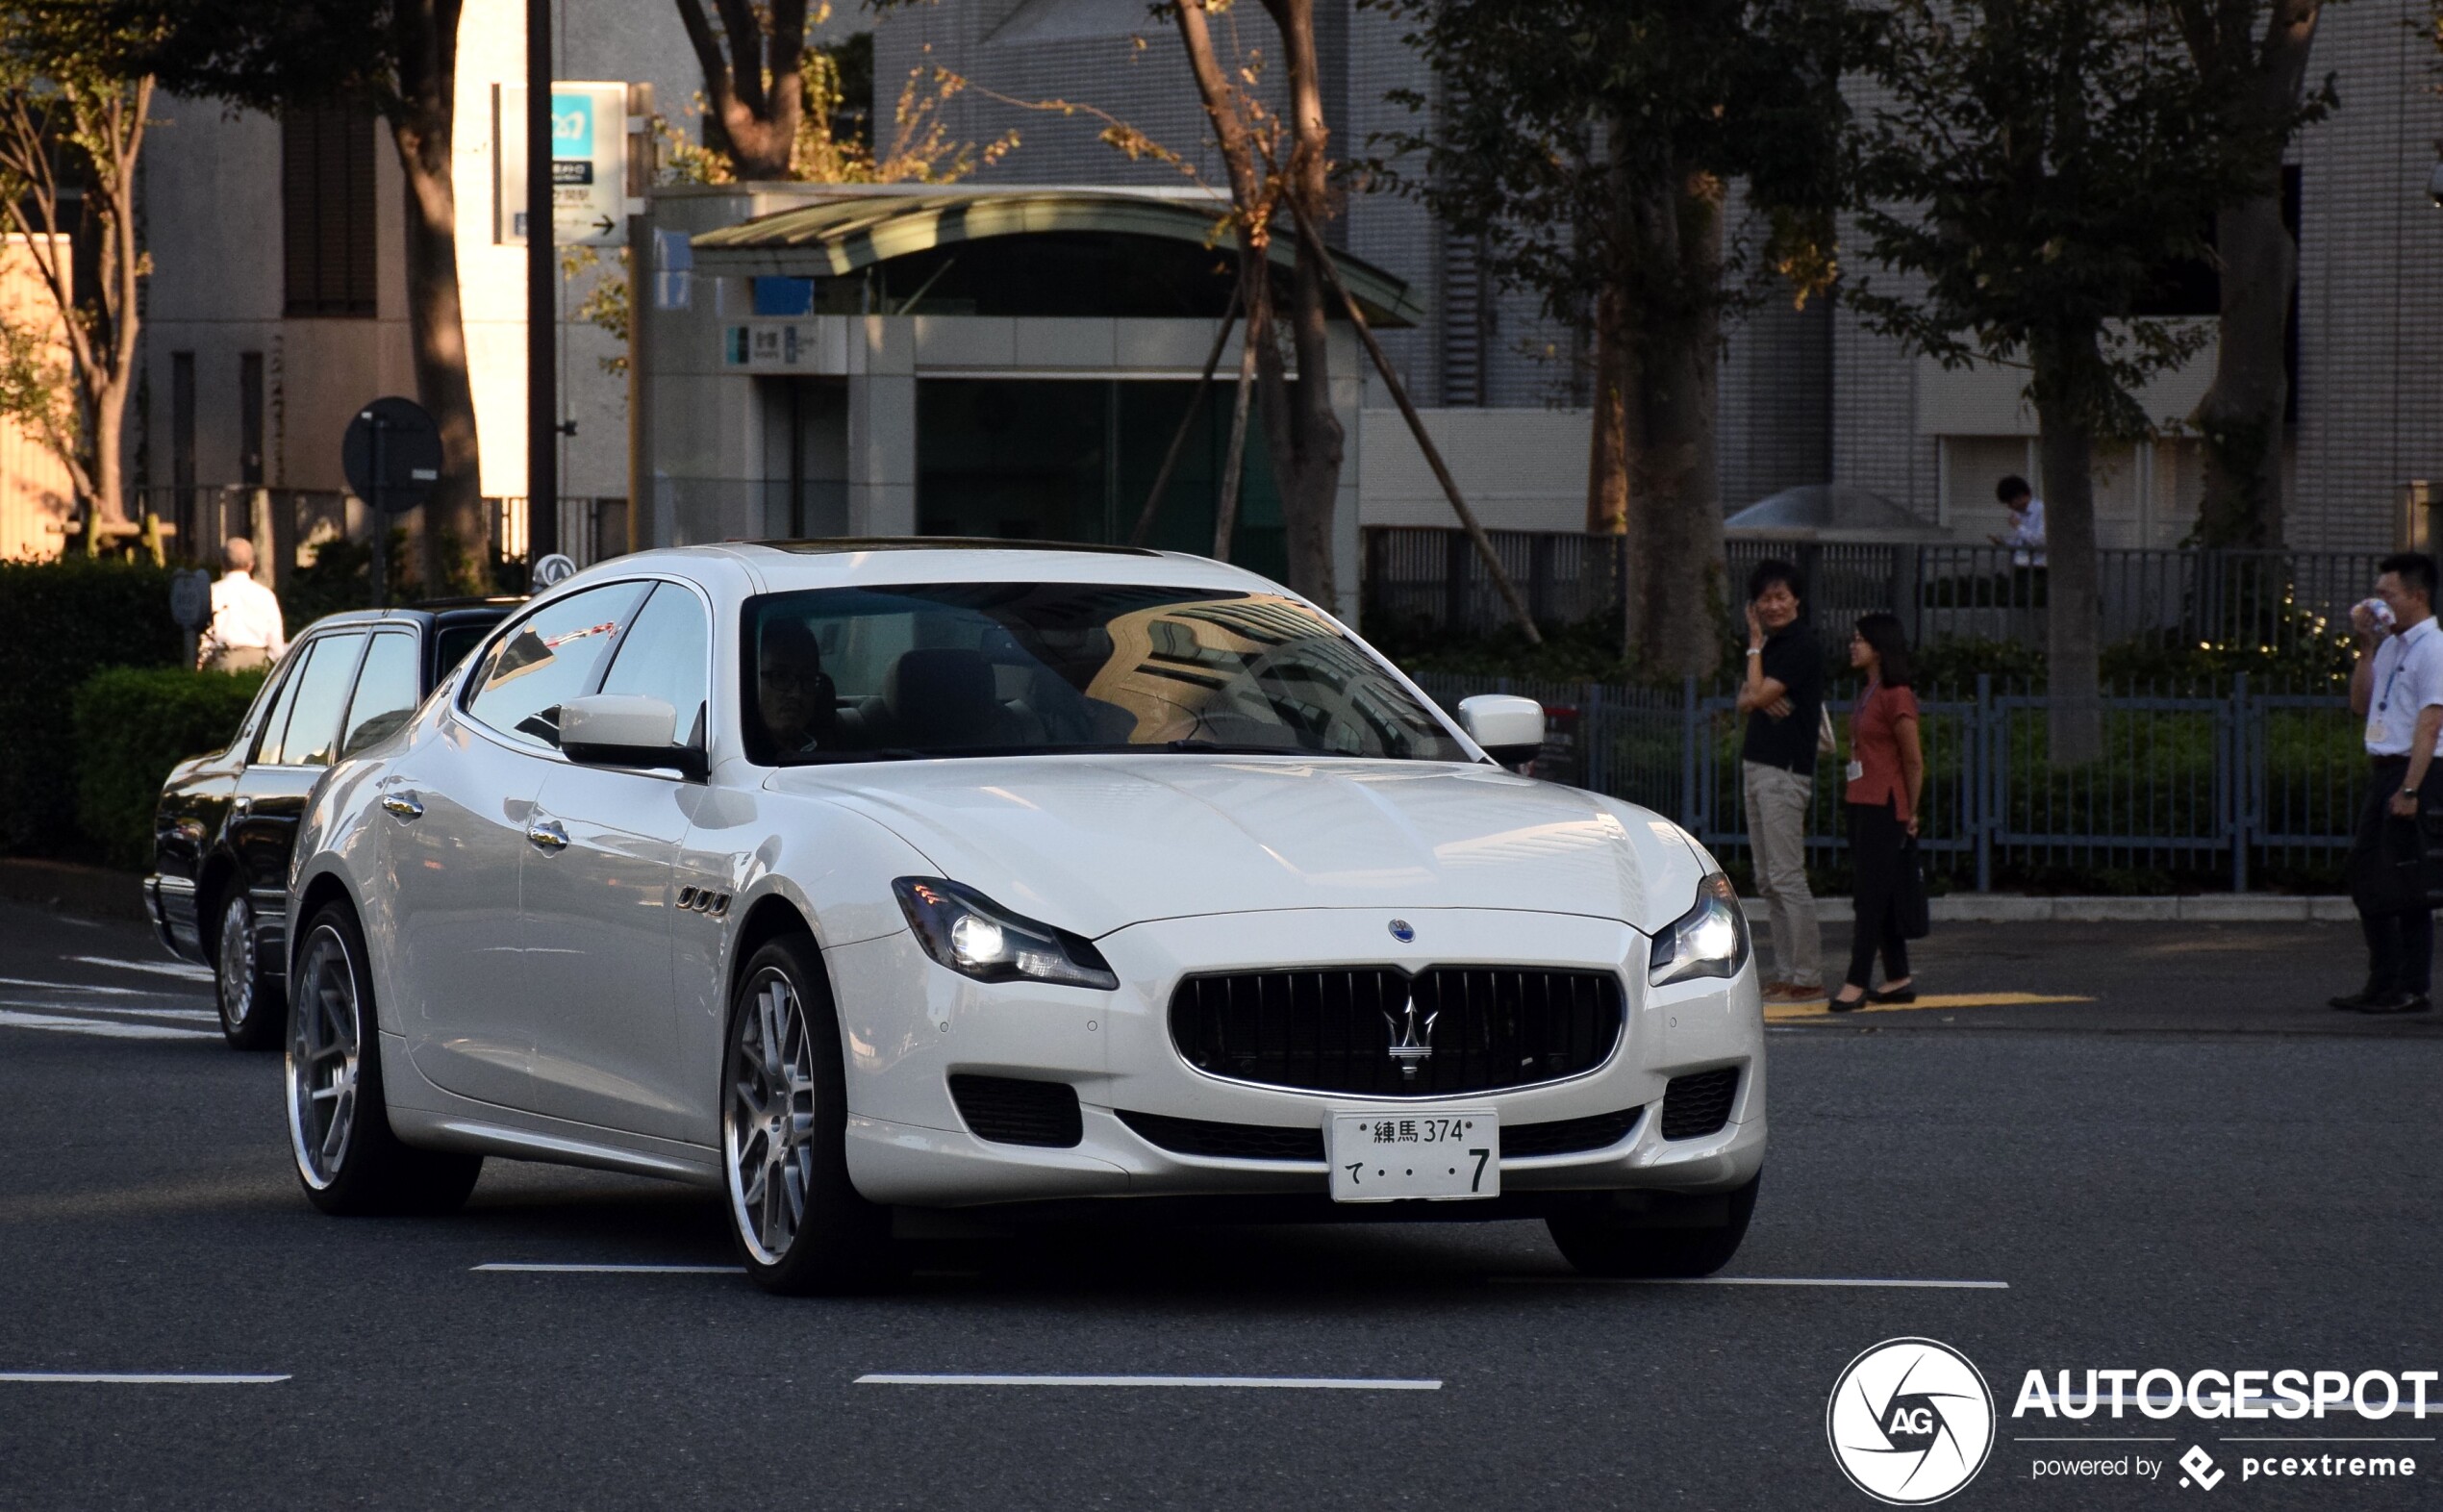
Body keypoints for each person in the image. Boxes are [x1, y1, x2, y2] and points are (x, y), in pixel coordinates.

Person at [2336, 553, 2443, 1015]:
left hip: (2415, 770)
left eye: (2387, 594)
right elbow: (2361, 704)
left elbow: (2431, 721)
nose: (2378, 602)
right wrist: (2366, 647)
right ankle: (2384, 981)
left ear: (2416, 597)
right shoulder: (2394, 645)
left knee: (2405, 882)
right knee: (2370, 879)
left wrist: (2412, 789)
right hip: (2386, 768)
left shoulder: (2433, 648)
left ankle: (2409, 986)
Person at [1737, 559, 1826, 1002]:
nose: (1773, 605)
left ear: (1796, 599)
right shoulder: (1771, 647)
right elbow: (1744, 699)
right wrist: (1758, 677)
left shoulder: (1800, 646)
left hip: (1784, 772)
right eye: (1764, 599)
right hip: (1757, 765)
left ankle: (1807, 976)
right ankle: (1787, 972)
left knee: (1788, 877)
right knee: (1767, 878)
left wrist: (1755, 653)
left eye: (1780, 597)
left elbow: (1757, 695)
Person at [1831, 612, 1925, 1012]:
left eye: (1860, 640)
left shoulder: (1896, 694)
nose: (1853, 645)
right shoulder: (1869, 691)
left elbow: (1914, 761)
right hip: (1859, 800)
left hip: (1884, 807)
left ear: (1880, 647)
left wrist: (1911, 812)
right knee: (1879, 893)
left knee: (1868, 897)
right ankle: (1898, 977)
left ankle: (1856, 981)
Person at [198, 537, 286, 672]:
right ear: (251, 564)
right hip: (258, 660)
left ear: (223, 563)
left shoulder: (210, 592)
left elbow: (203, 634)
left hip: (223, 659)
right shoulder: (265, 595)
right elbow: (275, 641)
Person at [1991, 475, 2047, 567]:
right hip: (2020, 564)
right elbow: (2020, 542)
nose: (2009, 506)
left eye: (2010, 502)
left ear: (2021, 496)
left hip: (2039, 566)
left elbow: (2040, 541)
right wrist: (2003, 542)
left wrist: (2019, 527)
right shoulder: (2018, 514)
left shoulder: (2042, 510)